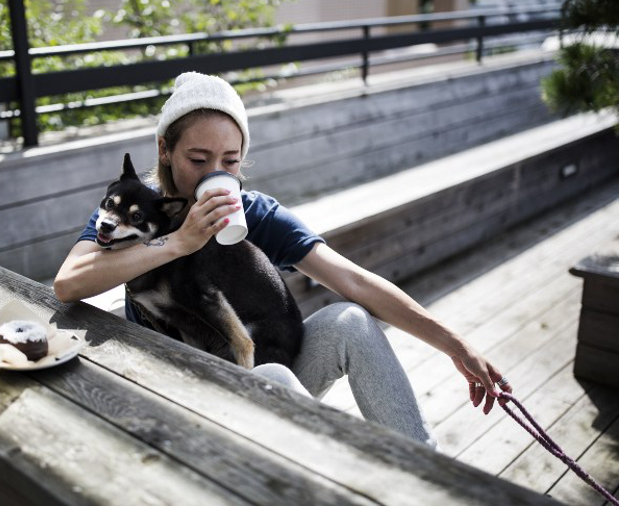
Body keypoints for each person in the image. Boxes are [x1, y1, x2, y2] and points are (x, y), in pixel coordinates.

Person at [54, 71, 513, 449]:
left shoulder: (252, 213)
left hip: (261, 383)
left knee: (346, 321)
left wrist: (457, 346)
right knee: (271, 375)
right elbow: (68, 282)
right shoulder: (134, 212)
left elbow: (354, 281)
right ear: (165, 150)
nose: (215, 173)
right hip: (179, 399)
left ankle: (421, 473)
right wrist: (177, 243)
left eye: (230, 161)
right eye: (198, 157)